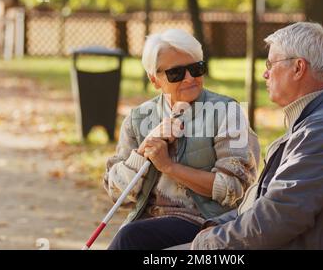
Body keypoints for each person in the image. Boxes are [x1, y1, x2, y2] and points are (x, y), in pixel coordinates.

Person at [189, 22, 323, 250]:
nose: (265, 73)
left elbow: (275, 220)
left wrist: (207, 243)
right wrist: (213, 228)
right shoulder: (314, 122)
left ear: (298, 68)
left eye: (271, 63)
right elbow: (261, 207)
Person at [103, 29, 260, 250]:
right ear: (154, 79)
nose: (190, 78)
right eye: (176, 73)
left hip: (204, 222)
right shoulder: (138, 118)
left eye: (196, 68)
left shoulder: (227, 112)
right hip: (147, 222)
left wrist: (168, 166)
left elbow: (234, 189)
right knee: (132, 235)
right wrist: (144, 149)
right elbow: (117, 193)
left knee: (130, 238)